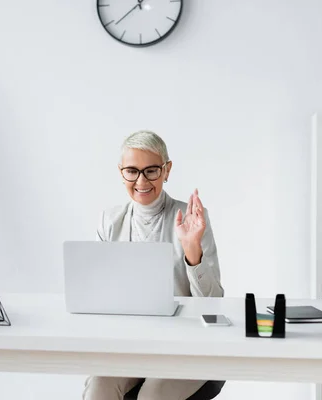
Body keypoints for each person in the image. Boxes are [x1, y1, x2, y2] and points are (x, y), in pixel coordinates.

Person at [83, 130, 224, 400]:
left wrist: (191, 248)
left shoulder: (194, 219)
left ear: (167, 170)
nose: (141, 180)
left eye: (151, 171)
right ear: (121, 172)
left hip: (187, 345)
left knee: (152, 395)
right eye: (132, 171)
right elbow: (98, 295)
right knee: (98, 387)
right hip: (130, 344)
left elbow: (213, 301)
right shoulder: (109, 221)